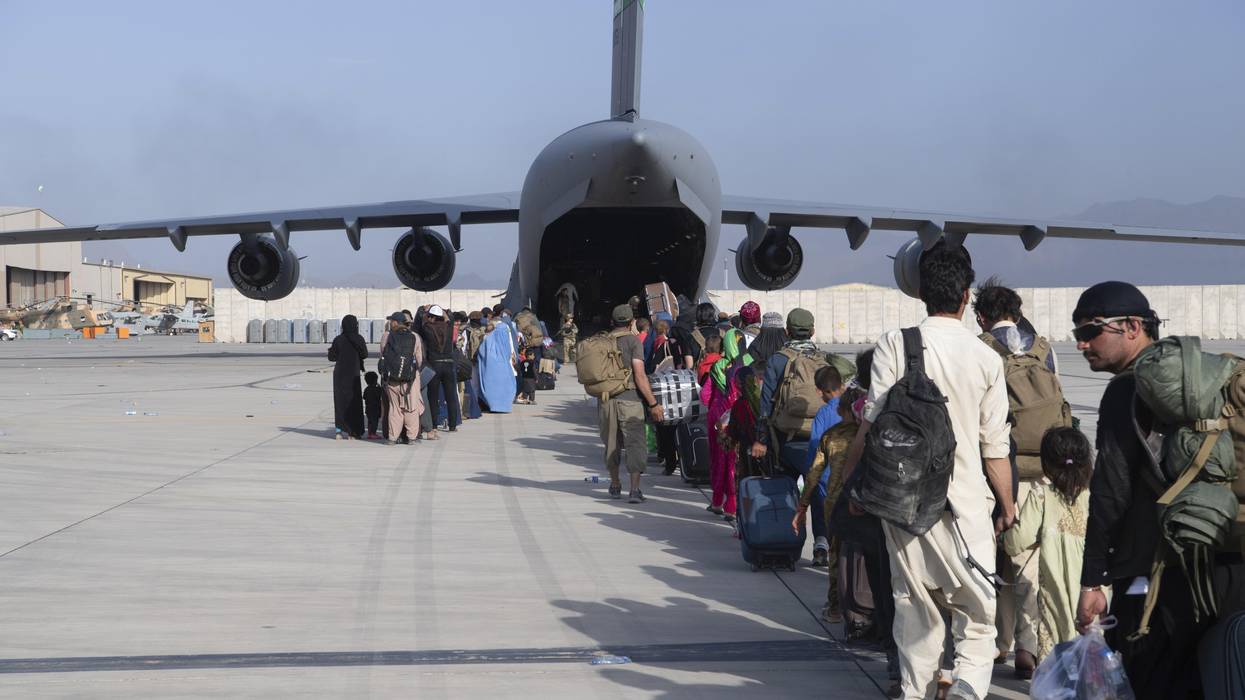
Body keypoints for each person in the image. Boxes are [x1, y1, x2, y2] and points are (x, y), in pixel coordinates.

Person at [844, 243, 1014, 700]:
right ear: (966, 294)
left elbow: (871, 425)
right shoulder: (987, 359)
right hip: (965, 507)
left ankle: (915, 691)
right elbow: (995, 448)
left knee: (915, 608)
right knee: (977, 615)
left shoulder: (893, 344)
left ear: (920, 292)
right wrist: (1008, 505)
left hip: (901, 504)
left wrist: (851, 484)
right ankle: (967, 689)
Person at [1070, 281, 1245, 699]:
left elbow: (1110, 493)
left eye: (1090, 331)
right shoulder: (1217, 380)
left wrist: (1092, 581)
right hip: (1231, 562)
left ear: (1132, 326)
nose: (1081, 345)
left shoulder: (1126, 391)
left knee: (1157, 683)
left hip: (1157, 577)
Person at [973, 277, 1062, 675]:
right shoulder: (1045, 351)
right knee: (1028, 562)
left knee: (989, 562)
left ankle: (997, 642)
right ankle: (1028, 646)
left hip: (992, 471)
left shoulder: (980, 349)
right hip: (1042, 471)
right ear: (1017, 312)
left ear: (981, 316)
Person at [750, 308, 834, 564]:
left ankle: (787, 543)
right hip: (821, 439)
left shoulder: (778, 360)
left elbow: (766, 406)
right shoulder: (825, 360)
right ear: (812, 331)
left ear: (787, 331)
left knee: (786, 490)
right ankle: (821, 543)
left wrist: (761, 439)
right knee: (819, 489)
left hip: (787, 439)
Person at [1003, 426, 1092, 661]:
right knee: (1090, 649)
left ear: (1047, 466)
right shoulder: (1092, 498)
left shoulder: (1041, 496)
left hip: (1054, 592)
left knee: (1054, 649)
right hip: (1091, 590)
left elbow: (1018, 541)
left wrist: (1004, 538)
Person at [795, 382, 864, 621]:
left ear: (842, 411)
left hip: (835, 502)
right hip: (865, 502)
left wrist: (802, 506)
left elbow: (814, 473)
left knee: (837, 555)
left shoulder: (831, 436)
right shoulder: (866, 435)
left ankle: (835, 607)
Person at [598, 304, 663, 503]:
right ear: (631, 322)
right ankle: (634, 490)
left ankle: (615, 484)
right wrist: (653, 403)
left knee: (611, 443)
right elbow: (640, 375)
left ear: (612, 321)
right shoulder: (634, 342)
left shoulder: (602, 341)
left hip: (606, 400)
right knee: (635, 443)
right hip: (630, 400)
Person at [800, 365, 847, 567]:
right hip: (849, 477)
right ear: (841, 385)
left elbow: (815, 446)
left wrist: (808, 472)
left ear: (820, 391)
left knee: (820, 507)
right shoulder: (853, 408)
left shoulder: (823, 413)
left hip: (827, 478)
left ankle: (821, 546)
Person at [379, 312, 423, 445]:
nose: (389, 323)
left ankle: (392, 438)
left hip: (392, 379)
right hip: (410, 380)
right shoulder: (414, 337)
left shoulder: (387, 336)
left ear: (396, 323)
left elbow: (383, 354)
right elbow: (419, 360)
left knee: (395, 408)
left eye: (391, 321)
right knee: (411, 408)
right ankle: (411, 437)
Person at [421, 305, 461, 435]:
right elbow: (451, 317)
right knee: (451, 396)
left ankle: (433, 424)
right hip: (448, 364)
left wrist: (425, 310)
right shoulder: (449, 327)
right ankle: (453, 425)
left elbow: (421, 321)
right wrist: (444, 312)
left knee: (433, 397)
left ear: (431, 317)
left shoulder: (427, 328)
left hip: (434, 365)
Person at [327, 314, 367, 440]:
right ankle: (353, 432)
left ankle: (339, 431)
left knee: (340, 402)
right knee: (354, 402)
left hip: (340, 375)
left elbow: (331, 357)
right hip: (353, 375)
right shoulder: (359, 339)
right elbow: (365, 354)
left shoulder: (338, 339)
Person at [478, 319, 517, 413]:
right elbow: (508, 352)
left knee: (491, 388)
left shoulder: (488, 339)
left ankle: (493, 405)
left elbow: (481, 352)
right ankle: (504, 406)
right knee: (506, 386)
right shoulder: (503, 339)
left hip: (490, 370)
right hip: (504, 368)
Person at [363, 371, 383, 439]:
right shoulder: (377, 389)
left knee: (370, 421)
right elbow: (380, 395)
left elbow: (364, 397)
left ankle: (370, 433)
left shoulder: (366, 389)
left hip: (368, 408)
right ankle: (373, 433)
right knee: (375, 422)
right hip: (375, 408)